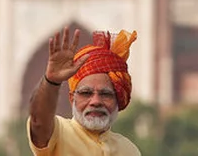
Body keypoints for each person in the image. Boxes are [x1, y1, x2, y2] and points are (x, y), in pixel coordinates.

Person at [27, 26, 141, 155]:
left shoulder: (129, 150)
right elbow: (39, 122)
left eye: (105, 94)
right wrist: (51, 81)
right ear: (72, 98)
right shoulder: (59, 134)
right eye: (86, 93)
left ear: (118, 99)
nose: (96, 101)